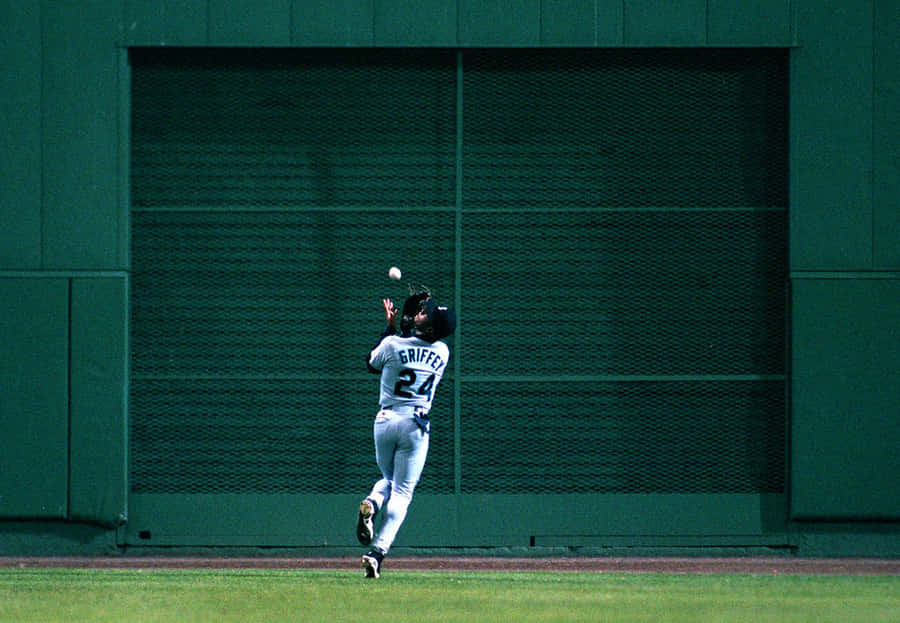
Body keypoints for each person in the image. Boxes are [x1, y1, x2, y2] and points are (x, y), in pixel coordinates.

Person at [356, 289, 456, 579]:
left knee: (389, 481)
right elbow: (418, 342)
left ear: (432, 325)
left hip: (385, 422)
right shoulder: (443, 352)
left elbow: (371, 362)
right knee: (402, 491)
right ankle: (377, 553)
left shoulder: (392, 345)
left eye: (427, 312)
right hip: (415, 427)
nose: (421, 311)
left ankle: (373, 502)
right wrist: (410, 325)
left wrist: (391, 326)